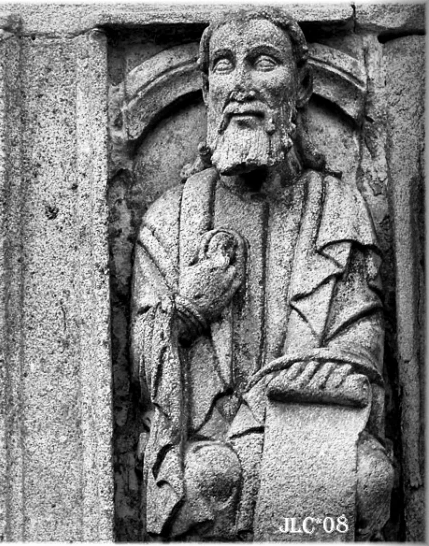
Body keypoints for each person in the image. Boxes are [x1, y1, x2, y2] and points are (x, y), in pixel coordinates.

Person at [131, 8, 393, 540]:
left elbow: (364, 338)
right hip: (210, 437)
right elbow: (142, 351)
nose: (242, 84)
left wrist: (309, 377)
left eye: (264, 62)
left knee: (370, 479)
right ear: (206, 91)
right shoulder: (168, 217)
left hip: (313, 417)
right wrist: (186, 310)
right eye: (224, 66)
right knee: (210, 478)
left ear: (301, 87)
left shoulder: (339, 208)